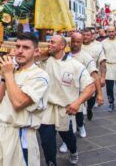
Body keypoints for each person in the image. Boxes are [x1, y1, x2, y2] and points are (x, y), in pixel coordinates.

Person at [0, 33, 49, 166]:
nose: (20, 51)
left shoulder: (40, 76)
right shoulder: (6, 71)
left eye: (26, 47)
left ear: (36, 51)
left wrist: (8, 74)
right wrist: (4, 77)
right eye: (18, 46)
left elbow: (18, 102)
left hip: (19, 134)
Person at [38, 35, 95, 165]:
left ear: (62, 46)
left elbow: (90, 87)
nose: (49, 44)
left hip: (65, 109)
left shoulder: (75, 65)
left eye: (53, 42)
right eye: (49, 42)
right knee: (47, 142)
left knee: (68, 137)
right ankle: (51, 162)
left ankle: (73, 151)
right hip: (46, 109)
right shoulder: (43, 61)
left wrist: (77, 102)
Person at [58, 32, 103, 153]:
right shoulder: (64, 55)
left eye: (78, 41)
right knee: (66, 119)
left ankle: (81, 126)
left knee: (77, 116)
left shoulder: (86, 57)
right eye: (73, 41)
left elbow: (94, 75)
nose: (75, 44)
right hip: (65, 92)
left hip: (79, 93)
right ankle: (66, 142)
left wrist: (99, 94)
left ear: (82, 42)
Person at [82, 28, 106, 119]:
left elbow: (102, 64)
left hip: (92, 77)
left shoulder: (97, 48)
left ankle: (89, 108)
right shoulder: (77, 46)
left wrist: (102, 77)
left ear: (91, 36)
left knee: (92, 96)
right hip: (79, 77)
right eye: (84, 35)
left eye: (88, 35)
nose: (85, 37)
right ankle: (80, 117)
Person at [102, 26, 116, 111]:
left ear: (115, 31)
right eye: (109, 32)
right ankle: (111, 103)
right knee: (109, 87)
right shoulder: (103, 43)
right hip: (109, 66)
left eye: (112, 31)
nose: (111, 33)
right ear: (107, 32)